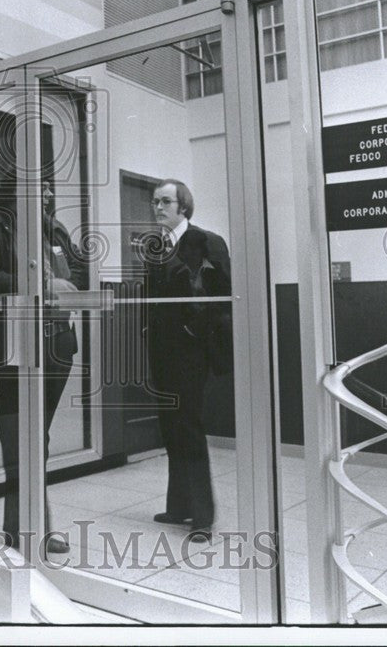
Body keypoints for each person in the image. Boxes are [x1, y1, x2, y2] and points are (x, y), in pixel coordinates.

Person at [0, 177, 86, 553]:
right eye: (39, 186)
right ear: (16, 188)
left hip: (55, 345)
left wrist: (66, 286)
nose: (47, 193)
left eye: (48, 187)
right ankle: (24, 532)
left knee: (37, 441)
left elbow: (78, 271)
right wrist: (41, 289)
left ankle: (30, 526)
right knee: (19, 442)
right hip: (1, 351)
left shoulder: (54, 228)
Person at [140, 178, 231, 543]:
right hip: (162, 353)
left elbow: (221, 299)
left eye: (165, 202)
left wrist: (197, 335)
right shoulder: (154, 247)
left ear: (183, 207)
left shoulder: (207, 241)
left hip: (193, 354)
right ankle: (179, 506)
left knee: (189, 429)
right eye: (155, 202)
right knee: (171, 428)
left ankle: (203, 518)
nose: (158, 207)